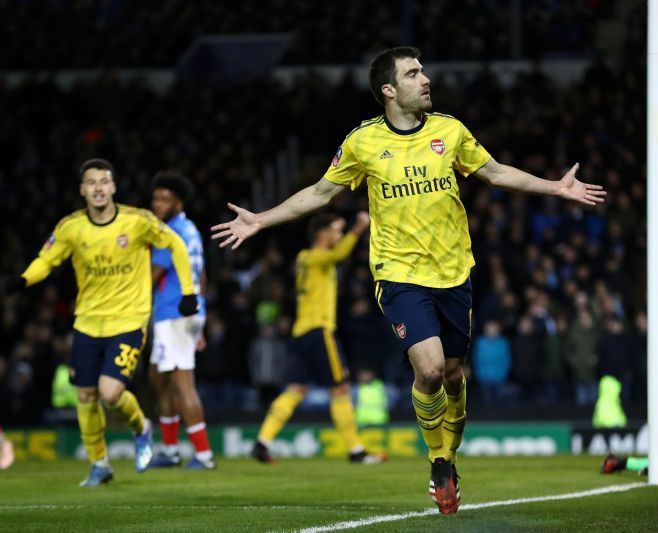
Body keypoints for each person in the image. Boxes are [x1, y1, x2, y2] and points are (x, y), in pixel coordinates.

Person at [211, 47, 605, 514]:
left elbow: (496, 173)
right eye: (413, 73)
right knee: (431, 369)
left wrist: (555, 187)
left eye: (423, 71)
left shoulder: (450, 130)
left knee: (456, 376)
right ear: (388, 90)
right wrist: (261, 219)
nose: (425, 79)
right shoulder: (361, 143)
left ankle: (448, 455)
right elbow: (319, 194)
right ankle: (439, 462)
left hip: (454, 272)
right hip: (398, 275)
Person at [2, 159, 199, 486]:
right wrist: (23, 280)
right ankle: (100, 464)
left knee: (109, 392)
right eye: (91, 183)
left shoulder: (137, 221)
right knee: (85, 396)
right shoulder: (71, 228)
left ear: (113, 187)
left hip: (129, 319)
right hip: (88, 322)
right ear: (82, 190)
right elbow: (46, 259)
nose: (97, 188)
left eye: (103, 182)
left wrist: (189, 292)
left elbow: (175, 245)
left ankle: (142, 427)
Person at [251, 212, 388, 465]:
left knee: (295, 389)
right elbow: (338, 254)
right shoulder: (316, 257)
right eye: (336, 229)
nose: (339, 235)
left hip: (301, 333)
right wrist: (358, 228)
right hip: (320, 331)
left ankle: (262, 442)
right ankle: (356, 451)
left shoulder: (304, 258)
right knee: (341, 389)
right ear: (321, 233)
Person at [147, 172, 215, 470]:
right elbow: (200, 276)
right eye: (155, 198)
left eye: (165, 199)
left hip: (174, 314)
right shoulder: (190, 230)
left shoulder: (170, 232)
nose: (157, 204)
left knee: (181, 384)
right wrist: (200, 317)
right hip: (183, 313)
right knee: (159, 378)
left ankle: (203, 455)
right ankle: (171, 450)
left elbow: (152, 276)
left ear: (179, 201)